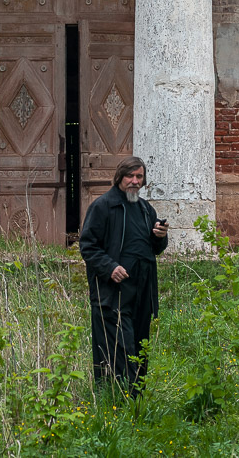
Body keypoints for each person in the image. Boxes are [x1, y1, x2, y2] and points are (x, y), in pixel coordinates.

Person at [79, 156, 169, 395]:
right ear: (119, 177)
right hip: (113, 293)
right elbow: (88, 246)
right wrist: (110, 267)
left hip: (142, 291)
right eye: (130, 176)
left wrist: (160, 237)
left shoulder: (145, 209)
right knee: (120, 346)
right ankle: (116, 398)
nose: (134, 181)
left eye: (139, 177)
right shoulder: (103, 206)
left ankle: (136, 397)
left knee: (140, 345)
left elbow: (154, 250)